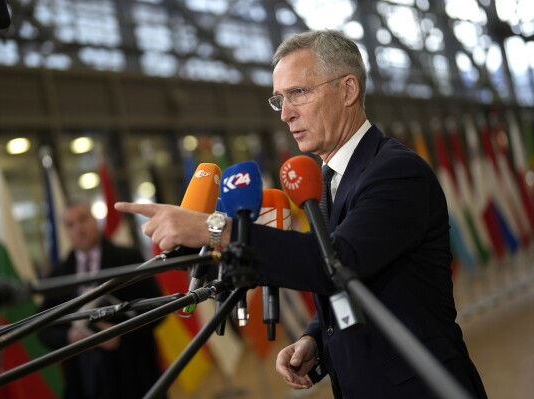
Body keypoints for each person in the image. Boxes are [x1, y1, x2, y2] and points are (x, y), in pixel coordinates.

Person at [116, 30, 487, 398]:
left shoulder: (395, 172)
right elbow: (357, 278)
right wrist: (315, 338)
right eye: (279, 100)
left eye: (299, 93)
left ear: (348, 90)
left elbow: (337, 260)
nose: (286, 114)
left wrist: (214, 228)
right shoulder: (325, 180)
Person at [38, 202, 164, 399]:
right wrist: (69, 337)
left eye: (82, 219)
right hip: (83, 380)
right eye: (70, 224)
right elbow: (42, 328)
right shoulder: (58, 274)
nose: (78, 228)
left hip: (133, 374)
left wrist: (120, 335)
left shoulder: (128, 258)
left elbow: (158, 308)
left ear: (95, 220)